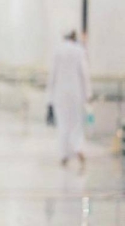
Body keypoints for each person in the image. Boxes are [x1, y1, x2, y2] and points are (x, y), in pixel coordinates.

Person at [46, 30, 92, 167]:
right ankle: (78, 147)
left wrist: (49, 99)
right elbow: (85, 75)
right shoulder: (79, 51)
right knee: (76, 123)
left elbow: (52, 76)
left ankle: (64, 154)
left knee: (63, 123)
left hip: (60, 94)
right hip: (76, 93)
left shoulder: (57, 51)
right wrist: (88, 94)